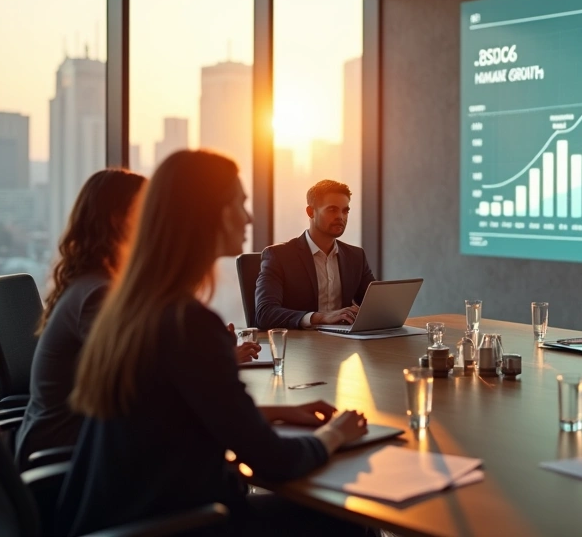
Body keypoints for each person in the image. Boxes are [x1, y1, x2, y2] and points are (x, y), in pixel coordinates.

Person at [60, 151, 369, 535]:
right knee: (349, 516)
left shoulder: (136, 307)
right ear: (208, 215)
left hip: (129, 516)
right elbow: (274, 461)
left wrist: (277, 414)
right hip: (185, 524)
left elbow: (181, 415)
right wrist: (335, 434)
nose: (248, 217)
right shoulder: (187, 322)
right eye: (239, 203)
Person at [14, 169, 147, 468]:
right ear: (118, 219)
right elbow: (135, 383)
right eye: (146, 208)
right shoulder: (97, 293)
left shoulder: (93, 282)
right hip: (64, 459)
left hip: (74, 444)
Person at [255, 180, 376, 331]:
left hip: (344, 340)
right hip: (299, 342)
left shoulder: (356, 256)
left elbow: (374, 306)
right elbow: (265, 314)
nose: (340, 216)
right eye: (332, 210)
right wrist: (320, 318)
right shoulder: (278, 256)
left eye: (345, 211)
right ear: (310, 212)